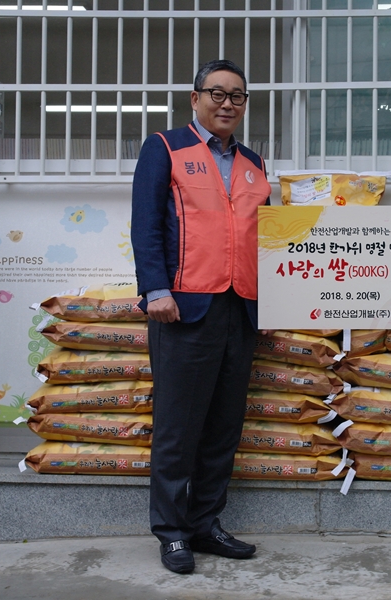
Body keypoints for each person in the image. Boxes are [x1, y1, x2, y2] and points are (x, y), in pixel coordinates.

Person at [131, 59, 272, 575]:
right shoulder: (165, 147)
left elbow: (268, 240)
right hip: (184, 309)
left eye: (237, 96)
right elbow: (145, 226)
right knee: (177, 427)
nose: (227, 104)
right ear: (195, 99)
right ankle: (171, 532)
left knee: (222, 426)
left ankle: (206, 523)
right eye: (217, 93)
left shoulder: (255, 163)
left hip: (242, 308)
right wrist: (155, 289)